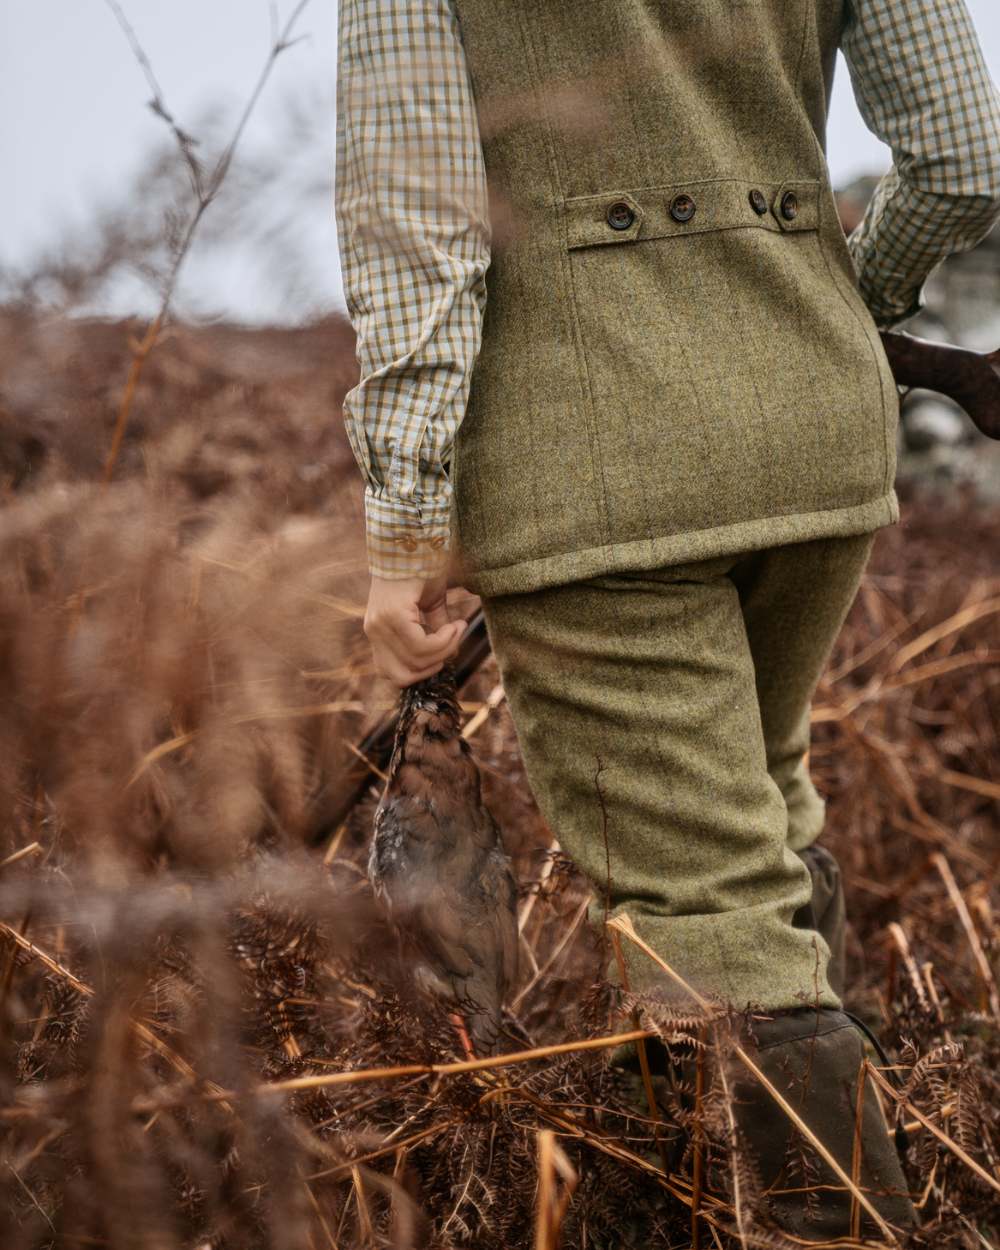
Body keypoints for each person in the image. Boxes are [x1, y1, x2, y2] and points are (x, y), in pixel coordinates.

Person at [334, 0, 1000, 1238]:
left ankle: (815, 1224)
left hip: (588, 456)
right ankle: (673, 1193)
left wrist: (407, 522)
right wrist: (837, 306)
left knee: (705, 892)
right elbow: (963, 156)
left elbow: (413, 224)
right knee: (753, 810)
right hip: (813, 432)